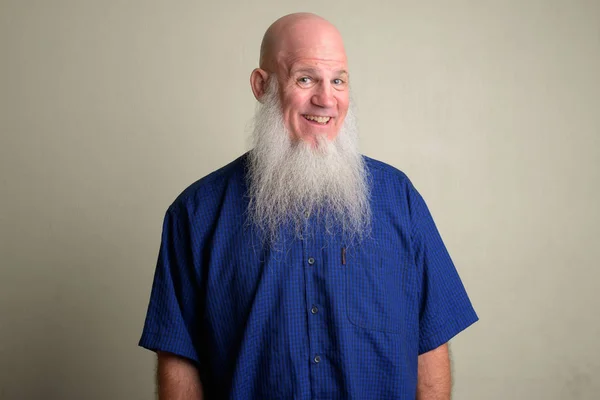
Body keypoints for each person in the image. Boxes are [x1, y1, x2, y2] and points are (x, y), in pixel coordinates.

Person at [139, 12, 478, 400]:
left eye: (338, 80)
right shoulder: (196, 214)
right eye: (305, 78)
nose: (326, 99)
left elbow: (430, 342)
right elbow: (180, 360)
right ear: (262, 85)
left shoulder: (398, 198)